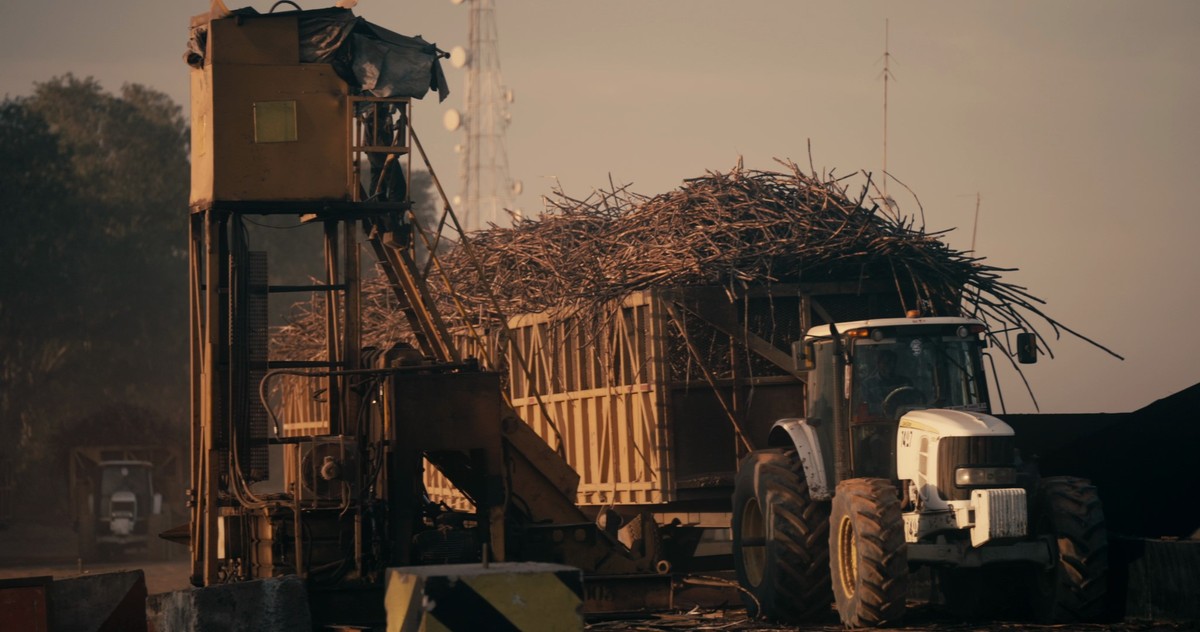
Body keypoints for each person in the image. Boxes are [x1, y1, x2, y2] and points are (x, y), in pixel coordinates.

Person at [861, 349, 913, 416]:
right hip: (877, 420)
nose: (890, 366)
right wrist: (884, 407)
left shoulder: (905, 382)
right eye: (886, 363)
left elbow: (913, 401)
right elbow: (866, 406)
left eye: (893, 362)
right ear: (878, 364)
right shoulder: (868, 384)